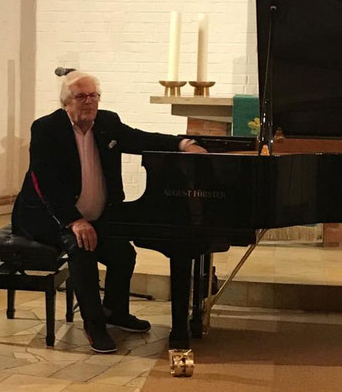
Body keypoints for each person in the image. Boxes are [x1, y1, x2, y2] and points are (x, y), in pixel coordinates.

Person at [12, 71, 206, 353]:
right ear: (67, 102)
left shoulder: (107, 123)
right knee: (81, 250)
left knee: (123, 253)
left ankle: (115, 312)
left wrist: (181, 143)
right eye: (81, 96)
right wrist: (74, 221)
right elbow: (46, 184)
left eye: (94, 96)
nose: (89, 102)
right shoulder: (46, 129)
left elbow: (139, 138)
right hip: (48, 217)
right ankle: (94, 326)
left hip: (94, 217)